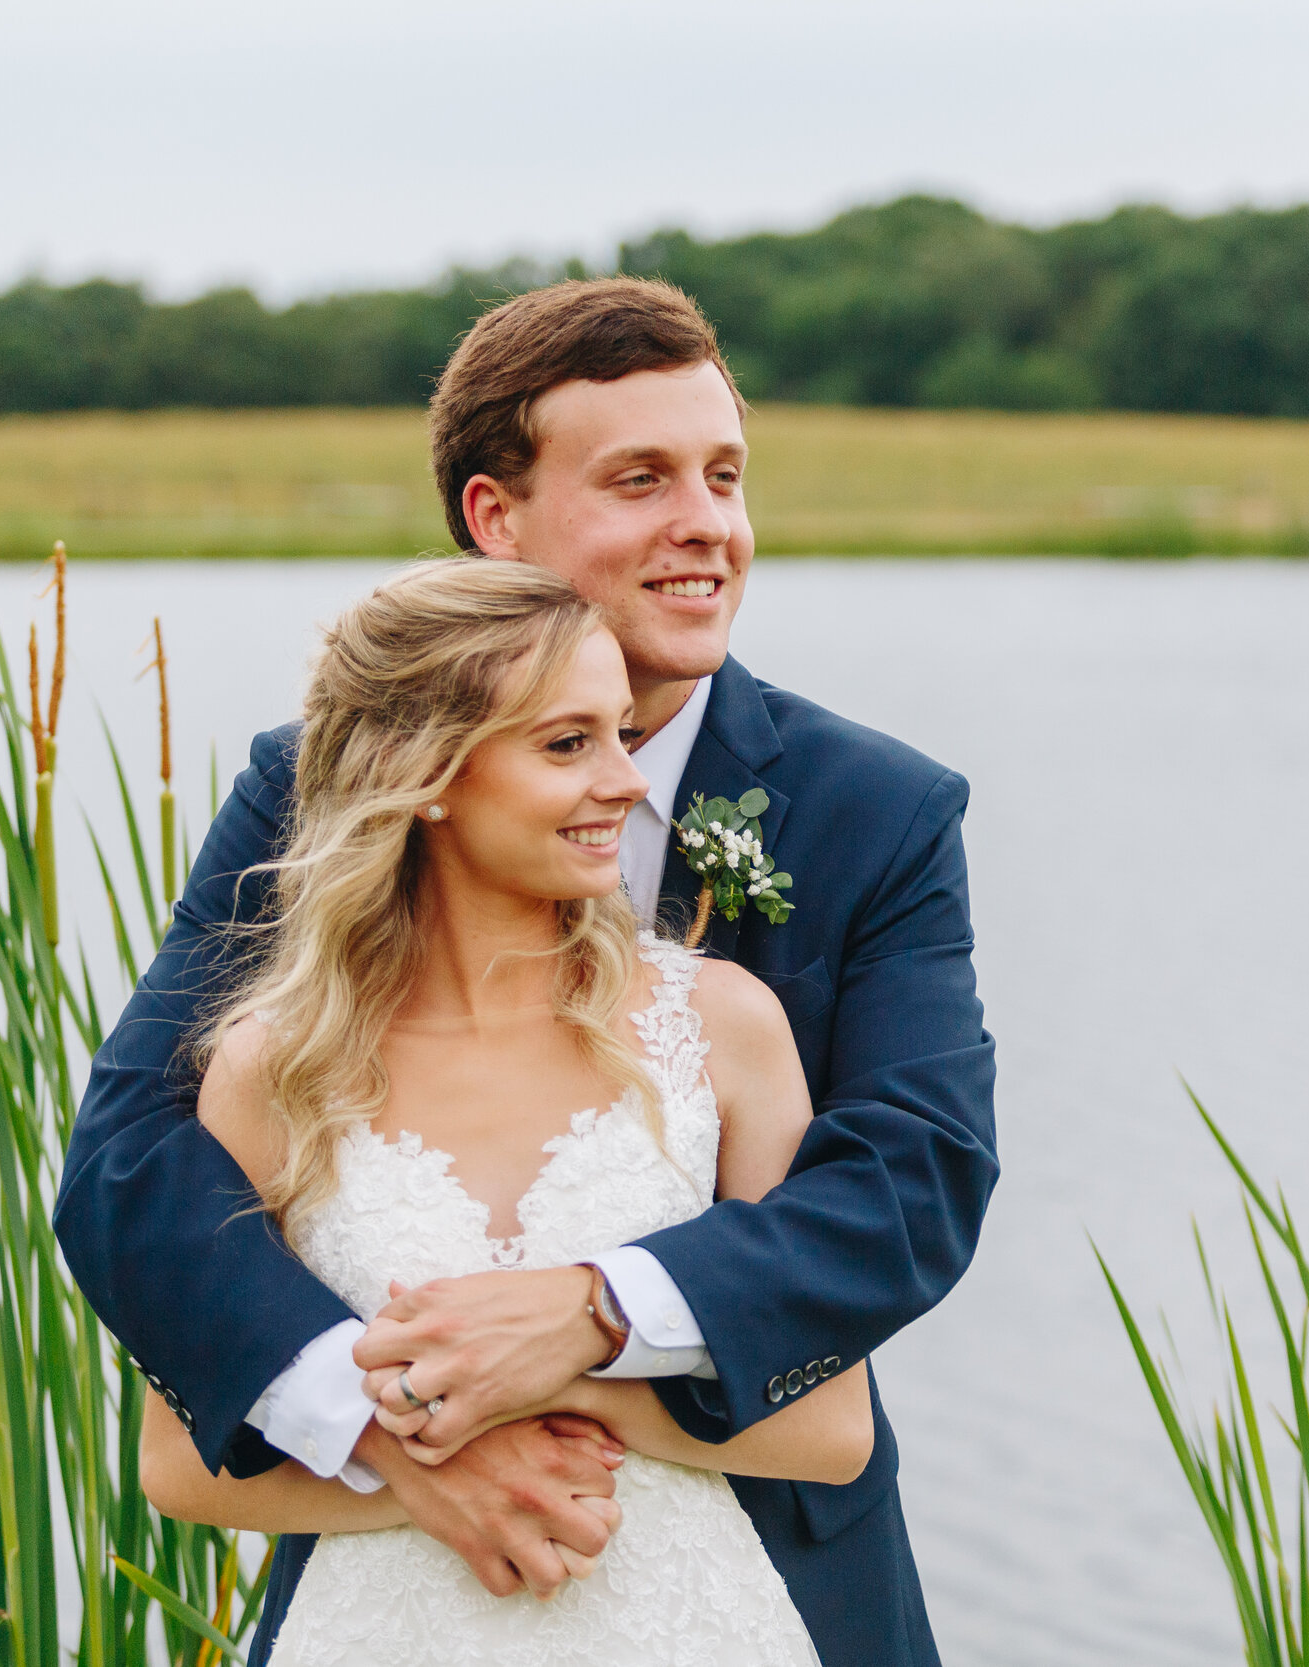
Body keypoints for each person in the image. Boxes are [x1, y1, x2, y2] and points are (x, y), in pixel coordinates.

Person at [55, 278, 998, 1667]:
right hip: (399, 1588)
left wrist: (594, 1313)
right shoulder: (321, 780)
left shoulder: (878, 808)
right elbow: (134, 1159)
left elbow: (913, 1182)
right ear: (497, 517)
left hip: (771, 1589)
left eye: (726, 475)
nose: (709, 525)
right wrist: (386, 1428)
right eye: (642, 479)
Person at [142, 561, 849, 1663]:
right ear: (424, 773)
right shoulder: (275, 1066)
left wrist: (559, 1368)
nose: (626, 778)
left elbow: (832, 1428)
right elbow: (180, 1466)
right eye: (568, 744)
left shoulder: (721, 1026)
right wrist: (433, 1478)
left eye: (622, 732)